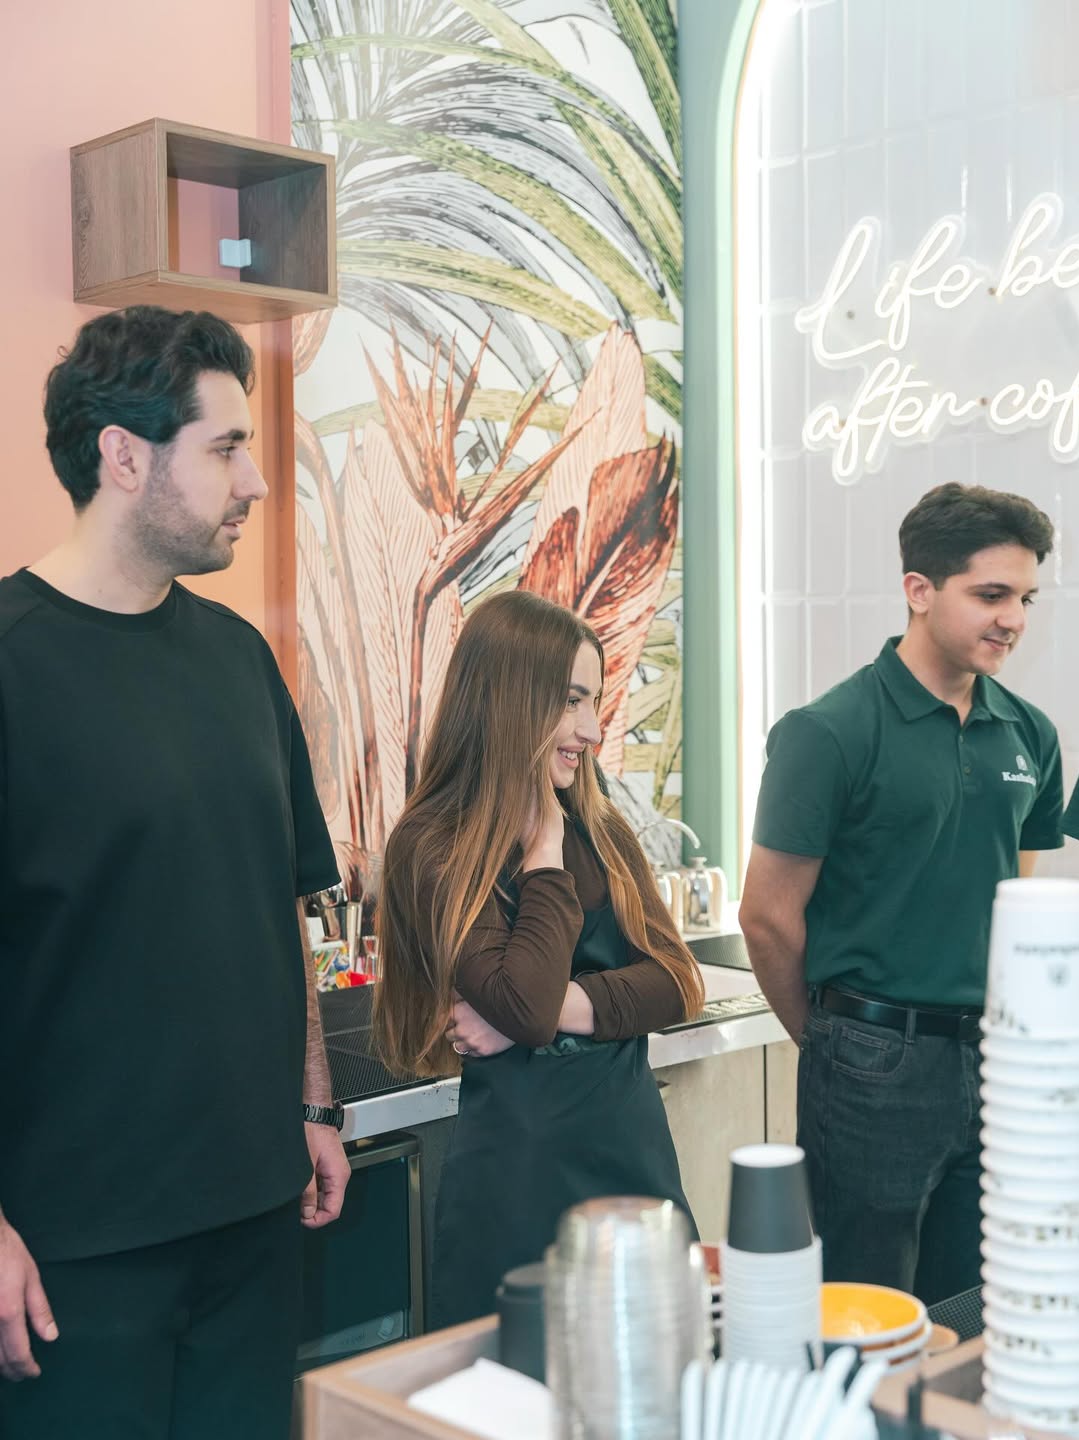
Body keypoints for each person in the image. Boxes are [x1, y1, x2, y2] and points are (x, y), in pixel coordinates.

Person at [0, 306, 351, 1440]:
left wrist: (313, 1103)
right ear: (123, 455)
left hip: (255, 1223)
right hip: (75, 1251)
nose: (256, 482)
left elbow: (278, 905)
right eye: (226, 448)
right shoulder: (10, 666)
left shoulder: (241, 660)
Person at [739, 482, 1063, 1306]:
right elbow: (766, 918)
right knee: (865, 1309)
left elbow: (1013, 903)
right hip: (871, 1058)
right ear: (919, 590)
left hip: (993, 1062)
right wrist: (832, 1041)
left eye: (1025, 598)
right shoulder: (827, 732)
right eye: (991, 595)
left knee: (974, 1309)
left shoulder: (1032, 734)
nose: (1014, 619)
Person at [374, 589, 705, 1326]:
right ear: (508, 697)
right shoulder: (433, 845)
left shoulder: (599, 822)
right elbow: (522, 1006)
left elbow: (678, 982)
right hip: (518, 1186)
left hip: (632, 1158)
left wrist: (565, 1007)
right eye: (571, 700)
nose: (592, 729)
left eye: (594, 702)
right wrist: (544, 852)